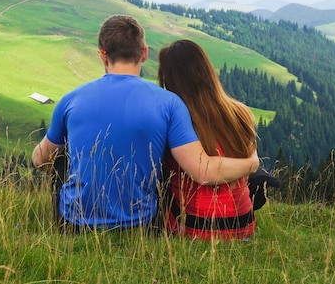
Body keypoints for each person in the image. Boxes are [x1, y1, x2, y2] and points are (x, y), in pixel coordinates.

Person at [32, 15, 259, 231]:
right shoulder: (169, 102)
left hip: (74, 222)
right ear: (144, 53)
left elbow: (40, 160)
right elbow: (201, 170)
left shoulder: (70, 99)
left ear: (103, 55)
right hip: (142, 223)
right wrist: (251, 164)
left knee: (61, 153)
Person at [158, 39, 258, 240]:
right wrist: (252, 164)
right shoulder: (241, 112)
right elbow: (250, 159)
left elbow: (203, 172)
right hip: (243, 224)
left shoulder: (174, 120)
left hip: (192, 226)